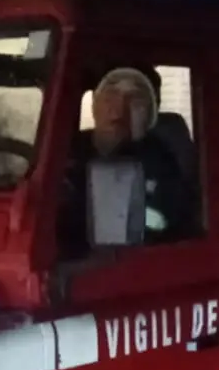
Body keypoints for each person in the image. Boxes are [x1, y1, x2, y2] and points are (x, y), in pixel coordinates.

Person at [69, 67, 197, 241]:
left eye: (135, 100)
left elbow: (169, 225)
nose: (119, 109)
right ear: (94, 105)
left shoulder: (160, 159)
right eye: (110, 96)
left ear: (150, 114)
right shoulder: (69, 149)